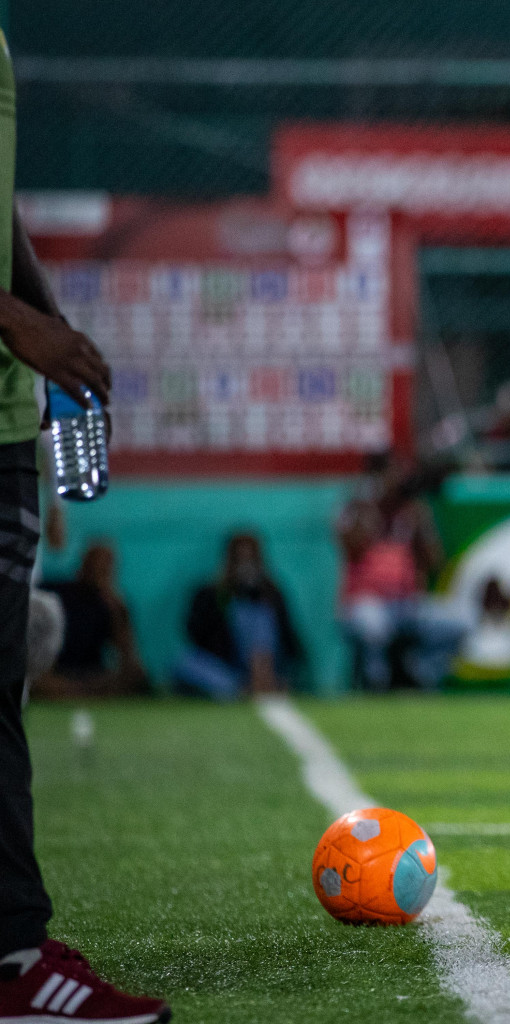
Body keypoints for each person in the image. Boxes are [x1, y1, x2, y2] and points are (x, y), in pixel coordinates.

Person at [0, 28, 170, 1019]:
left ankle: (11, 944)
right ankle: (14, 961)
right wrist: (23, 322)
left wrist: (43, 313)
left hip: (9, 416)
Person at [336, 454, 466, 691]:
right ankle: (377, 685)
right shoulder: (356, 508)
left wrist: (421, 522)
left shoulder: (411, 511)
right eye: (391, 474)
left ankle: (419, 674)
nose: (398, 480)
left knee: (460, 622)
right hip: (366, 602)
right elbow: (352, 547)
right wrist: (372, 508)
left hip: (406, 603)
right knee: (373, 625)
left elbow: (435, 561)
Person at [172, 533, 305, 701]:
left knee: (258, 616)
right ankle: (242, 688)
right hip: (228, 667)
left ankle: (262, 680)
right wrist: (224, 600)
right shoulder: (210, 593)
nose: (245, 565)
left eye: (250, 558)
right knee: (184, 662)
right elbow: (194, 634)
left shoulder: (271, 593)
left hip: (266, 667)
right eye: (240, 558)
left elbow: (290, 638)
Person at [34, 542, 149, 700]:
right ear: (83, 563)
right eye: (95, 563)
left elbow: (129, 657)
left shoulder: (111, 604)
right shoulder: (55, 593)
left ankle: (75, 693)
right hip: (57, 672)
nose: (99, 570)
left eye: (105, 566)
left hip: (91, 675)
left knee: (132, 677)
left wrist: (116, 609)